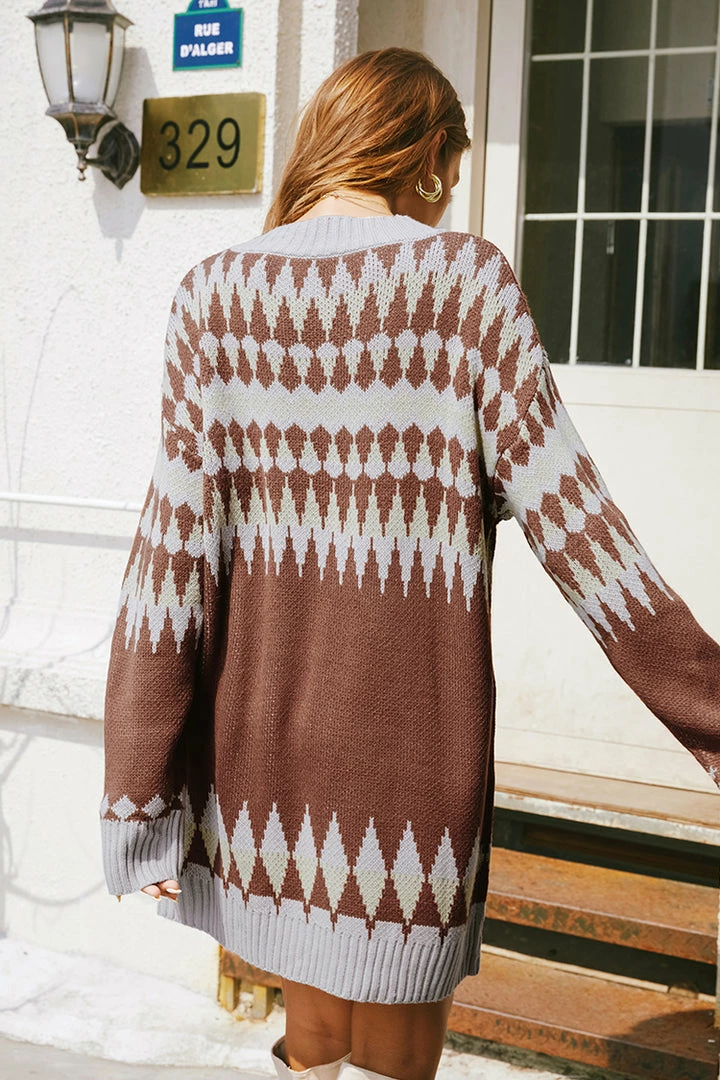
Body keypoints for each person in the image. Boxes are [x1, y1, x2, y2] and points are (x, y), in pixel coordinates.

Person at [99, 46, 720, 1080]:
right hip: (407, 773)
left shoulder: (212, 296)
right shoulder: (466, 284)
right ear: (427, 155)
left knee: (313, 1041)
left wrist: (138, 789)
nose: (445, 201)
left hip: (258, 763)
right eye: (451, 174)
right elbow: (586, 538)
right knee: (393, 1060)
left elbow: (168, 565)